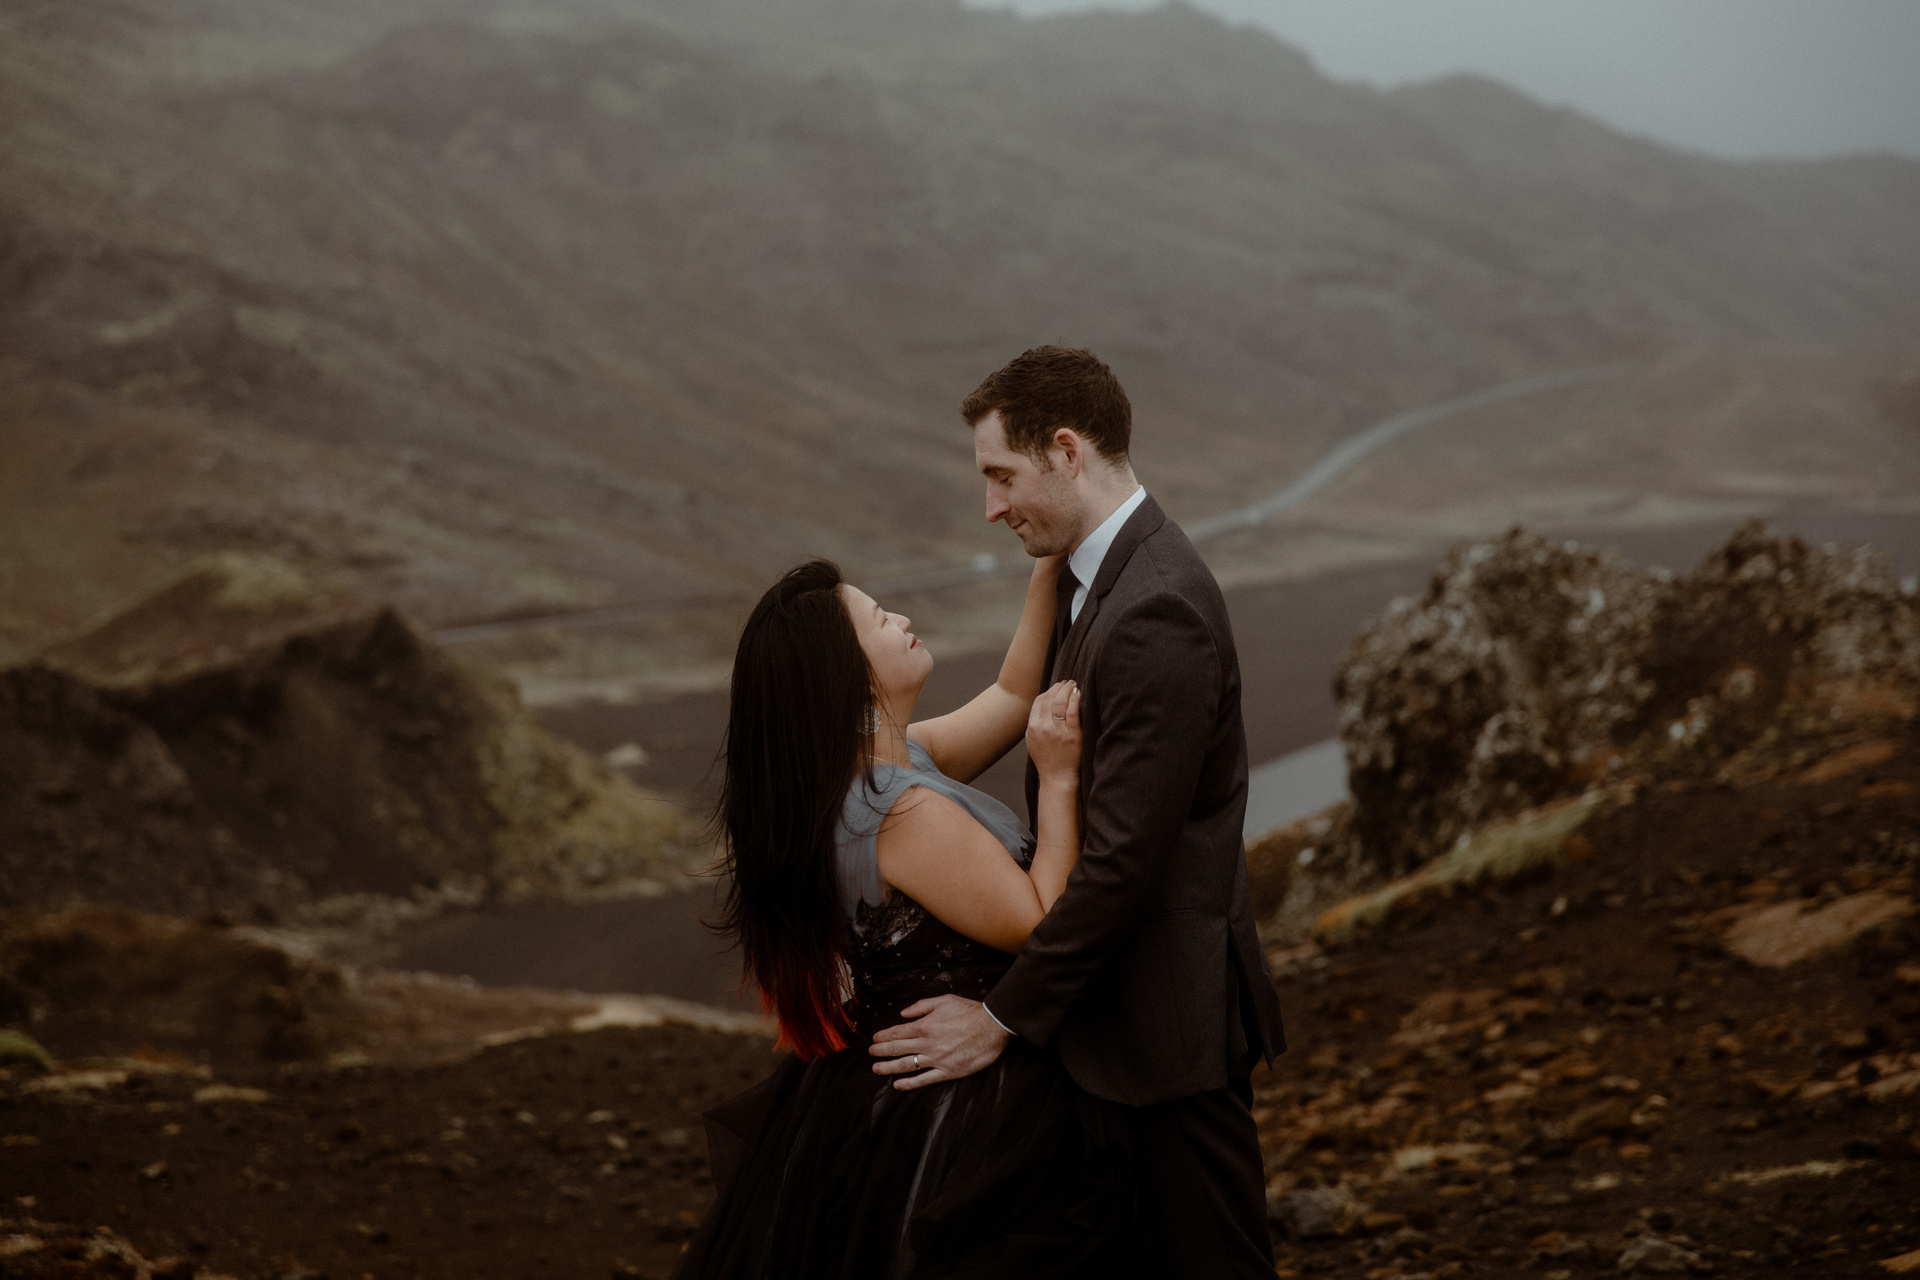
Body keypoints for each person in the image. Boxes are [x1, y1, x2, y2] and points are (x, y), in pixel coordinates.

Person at [869, 345, 1289, 1277]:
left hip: (1165, 1041)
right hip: (1106, 1035)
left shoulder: (1157, 608)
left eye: (1001, 476)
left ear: (1067, 451)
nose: (991, 507)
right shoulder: (1094, 577)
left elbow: (1123, 864)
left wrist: (999, 1019)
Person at [672, 553, 1133, 1279]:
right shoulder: (898, 813)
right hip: (960, 1106)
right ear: (850, 683)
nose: (903, 618)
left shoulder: (892, 765)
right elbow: (1044, 917)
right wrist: (1060, 777)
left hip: (886, 1097)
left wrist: (1048, 571)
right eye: (882, 620)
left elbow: (1013, 694)